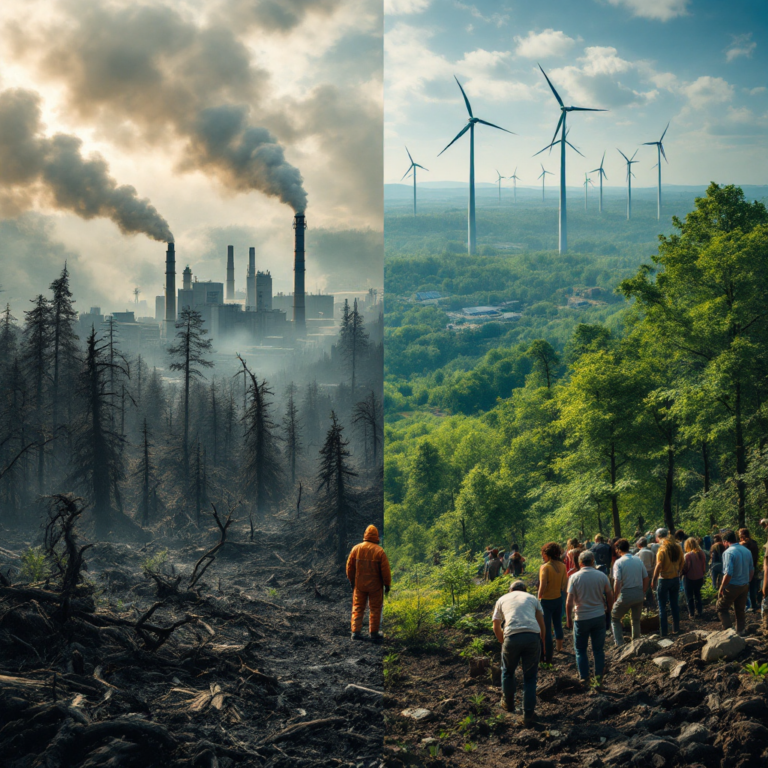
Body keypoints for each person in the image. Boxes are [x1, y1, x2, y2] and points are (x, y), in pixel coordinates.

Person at [492, 581, 545, 725]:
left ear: (510, 590)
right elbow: (541, 624)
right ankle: (528, 713)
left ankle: (508, 704)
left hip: (512, 637)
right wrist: (543, 644)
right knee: (530, 677)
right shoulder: (532, 598)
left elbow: (496, 625)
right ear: (525, 589)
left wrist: (503, 641)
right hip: (532, 637)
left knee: (508, 672)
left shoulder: (502, 599)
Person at [566, 550, 614, 685]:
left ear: (580, 563)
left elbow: (569, 601)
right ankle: (598, 679)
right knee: (598, 650)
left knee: (580, 649)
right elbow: (609, 595)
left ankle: (584, 677)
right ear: (593, 561)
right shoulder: (601, 576)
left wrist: (569, 619)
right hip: (599, 615)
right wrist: (610, 610)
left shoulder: (574, 578)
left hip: (581, 617)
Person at [346, 525, 391, 642]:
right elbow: (385, 571)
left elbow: (349, 568)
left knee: (358, 607)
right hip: (375, 587)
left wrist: (352, 581)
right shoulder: (379, 551)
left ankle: (355, 632)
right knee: (375, 608)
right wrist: (387, 584)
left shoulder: (356, 549)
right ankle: (374, 632)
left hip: (360, 585)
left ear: (365, 535)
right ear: (376, 536)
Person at [610, 538, 649, 647]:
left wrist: (615, 597)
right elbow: (646, 578)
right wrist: (643, 591)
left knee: (615, 618)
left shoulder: (618, 562)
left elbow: (617, 582)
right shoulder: (638, 559)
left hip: (626, 594)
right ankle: (636, 643)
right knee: (636, 620)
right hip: (639, 593)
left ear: (618, 549)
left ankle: (619, 644)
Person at [717, 529, 754, 634]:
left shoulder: (728, 552)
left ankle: (729, 631)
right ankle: (740, 631)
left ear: (725, 541)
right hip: (745, 584)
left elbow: (728, 573)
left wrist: (722, 587)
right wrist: (747, 581)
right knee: (740, 610)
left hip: (733, 585)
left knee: (721, 607)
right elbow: (752, 570)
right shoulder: (747, 551)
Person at [538, 542, 568, 663]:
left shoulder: (545, 567)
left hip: (546, 601)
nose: (542, 556)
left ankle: (548, 655)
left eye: (543, 554)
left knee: (545, 629)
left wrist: (538, 597)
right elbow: (564, 585)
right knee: (557, 624)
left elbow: (542, 585)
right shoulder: (562, 566)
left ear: (547, 554)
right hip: (558, 598)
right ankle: (559, 648)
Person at [651, 529, 684, 637]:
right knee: (674, 605)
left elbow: (659, 565)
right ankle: (676, 629)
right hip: (675, 578)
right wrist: (679, 573)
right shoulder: (678, 548)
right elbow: (682, 563)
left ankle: (664, 632)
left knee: (662, 606)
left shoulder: (662, 549)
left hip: (664, 579)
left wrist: (654, 580)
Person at [682, 537, 707, 619]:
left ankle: (692, 614)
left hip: (689, 578)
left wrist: (681, 573)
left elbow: (686, 568)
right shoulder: (702, 553)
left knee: (689, 596)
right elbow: (704, 566)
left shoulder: (687, 555)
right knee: (698, 595)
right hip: (699, 577)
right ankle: (700, 611)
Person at [738, 529, 760, 613]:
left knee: (745, 587)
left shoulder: (744, 544)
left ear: (742, 535)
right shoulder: (754, 543)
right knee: (753, 587)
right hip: (754, 567)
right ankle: (753, 604)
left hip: (745, 568)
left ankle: (749, 605)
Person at [636, 537, 656, 607]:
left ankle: (643, 603)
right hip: (650, 572)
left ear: (639, 545)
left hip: (641, 573)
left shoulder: (637, 554)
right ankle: (651, 602)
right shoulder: (651, 552)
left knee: (642, 588)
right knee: (649, 588)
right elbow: (654, 563)